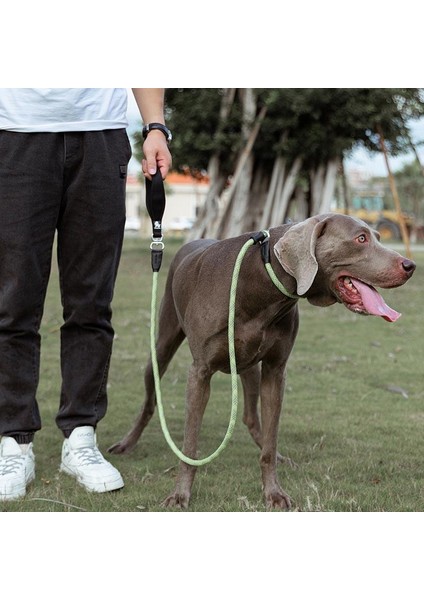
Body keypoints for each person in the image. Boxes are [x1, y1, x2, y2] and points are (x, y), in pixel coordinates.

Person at [0, 88, 172, 500]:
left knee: (91, 303)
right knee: (13, 303)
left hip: (100, 135)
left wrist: (155, 126)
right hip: (15, 131)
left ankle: (80, 438)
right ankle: (13, 441)